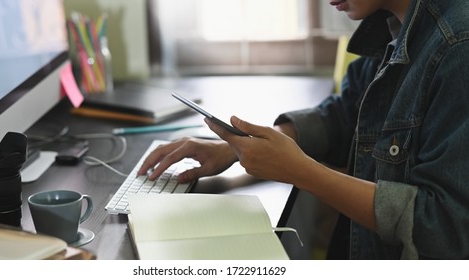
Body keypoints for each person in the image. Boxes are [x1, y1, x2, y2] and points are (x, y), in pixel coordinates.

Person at [138, 0, 469, 259]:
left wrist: (301, 171)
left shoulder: (458, 47)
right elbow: (345, 116)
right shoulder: (394, 23)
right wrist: (239, 146)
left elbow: (443, 226)